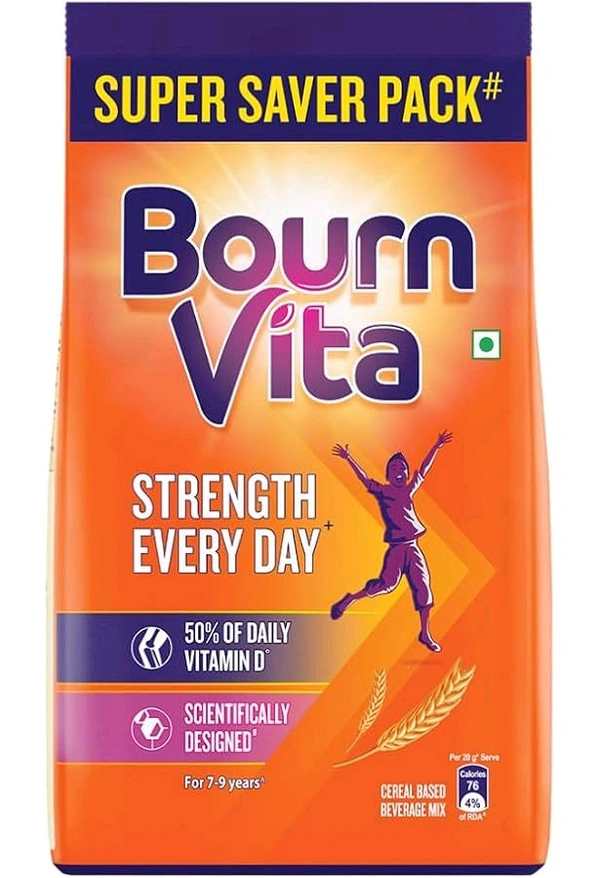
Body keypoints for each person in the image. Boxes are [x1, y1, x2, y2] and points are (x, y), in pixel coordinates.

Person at [330, 431, 453, 652]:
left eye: (402, 469)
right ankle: (351, 599)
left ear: (406, 474)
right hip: (397, 550)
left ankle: (425, 633)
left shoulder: (408, 490)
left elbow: (424, 469)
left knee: (423, 587)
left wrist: (437, 446)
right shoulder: (383, 491)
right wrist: (349, 458)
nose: (399, 471)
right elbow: (364, 479)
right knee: (386, 585)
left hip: (413, 547)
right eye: (394, 469)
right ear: (387, 475)